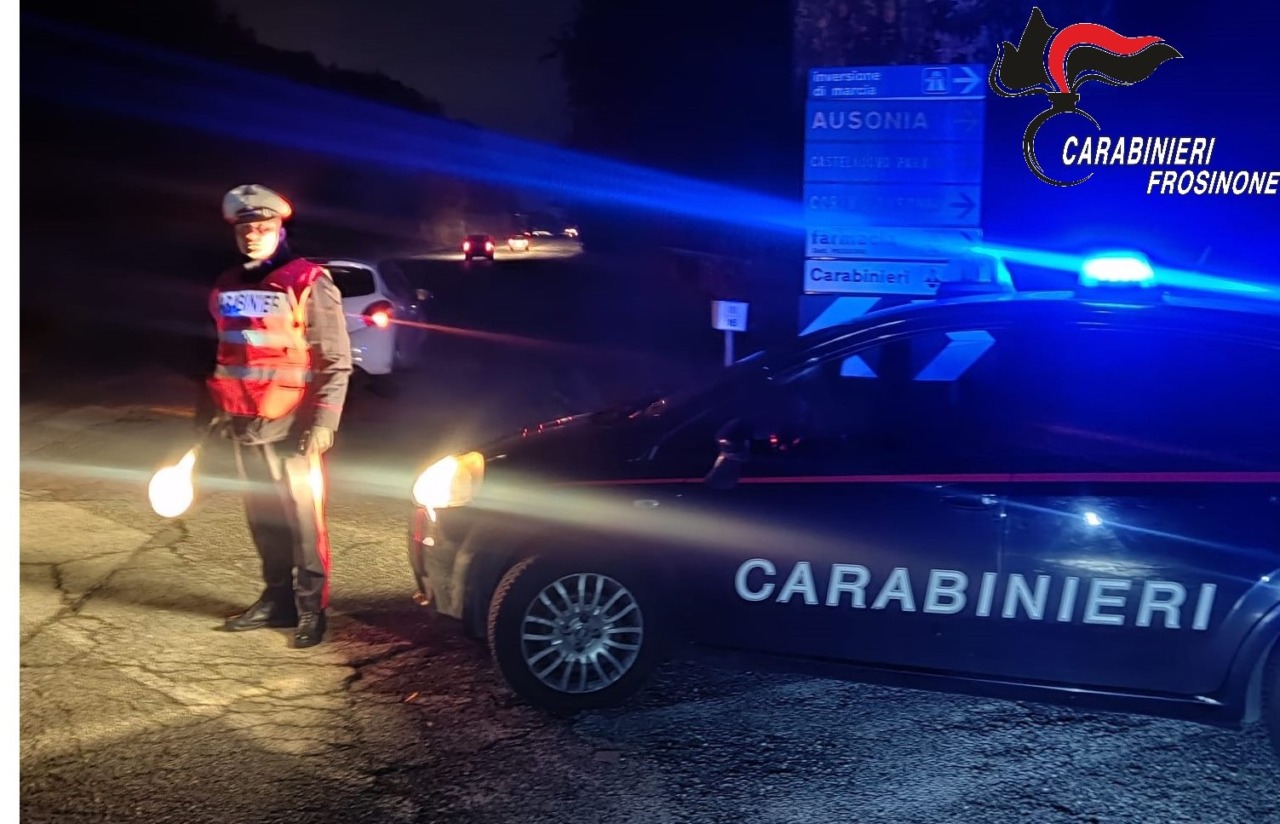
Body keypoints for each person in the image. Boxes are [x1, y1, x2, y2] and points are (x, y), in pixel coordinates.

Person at [196, 184, 353, 648]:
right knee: (263, 518)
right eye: (245, 229)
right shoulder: (226, 284)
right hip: (244, 422)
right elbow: (225, 355)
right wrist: (214, 410)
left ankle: (311, 609)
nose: (252, 236)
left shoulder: (308, 281)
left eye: (263, 227)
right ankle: (277, 600)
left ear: (280, 230)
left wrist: (323, 422)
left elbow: (335, 359)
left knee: (304, 522)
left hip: (293, 425)